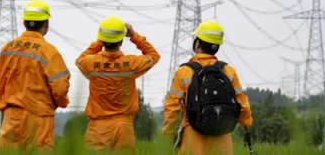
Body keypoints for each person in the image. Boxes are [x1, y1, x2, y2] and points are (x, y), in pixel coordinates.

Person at [162, 20, 253, 155]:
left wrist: (168, 136)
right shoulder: (228, 71)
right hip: (222, 137)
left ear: (197, 44)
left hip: (192, 137)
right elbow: (242, 104)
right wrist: (247, 124)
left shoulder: (184, 72)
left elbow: (172, 108)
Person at [0, 0, 71, 153]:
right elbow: (60, 88)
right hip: (39, 119)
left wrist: (4, 105)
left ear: (24, 23)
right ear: (46, 24)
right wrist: (59, 103)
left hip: (11, 118)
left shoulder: (7, 49)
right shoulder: (49, 52)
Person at [75, 15, 160, 152]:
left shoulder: (90, 63)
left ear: (102, 40)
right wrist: (134, 36)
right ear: (121, 40)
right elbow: (154, 56)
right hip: (123, 127)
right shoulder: (131, 64)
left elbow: (79, 60)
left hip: (97, 128)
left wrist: (99, 41)